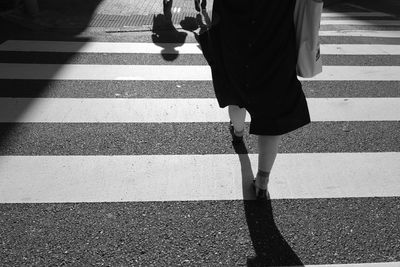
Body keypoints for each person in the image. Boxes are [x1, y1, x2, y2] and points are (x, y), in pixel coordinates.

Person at [200, 0, 311, 200]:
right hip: (275, 45)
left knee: (235, 93)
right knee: (272, 115)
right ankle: (262, 180)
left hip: (233, 40)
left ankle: (238, 130)